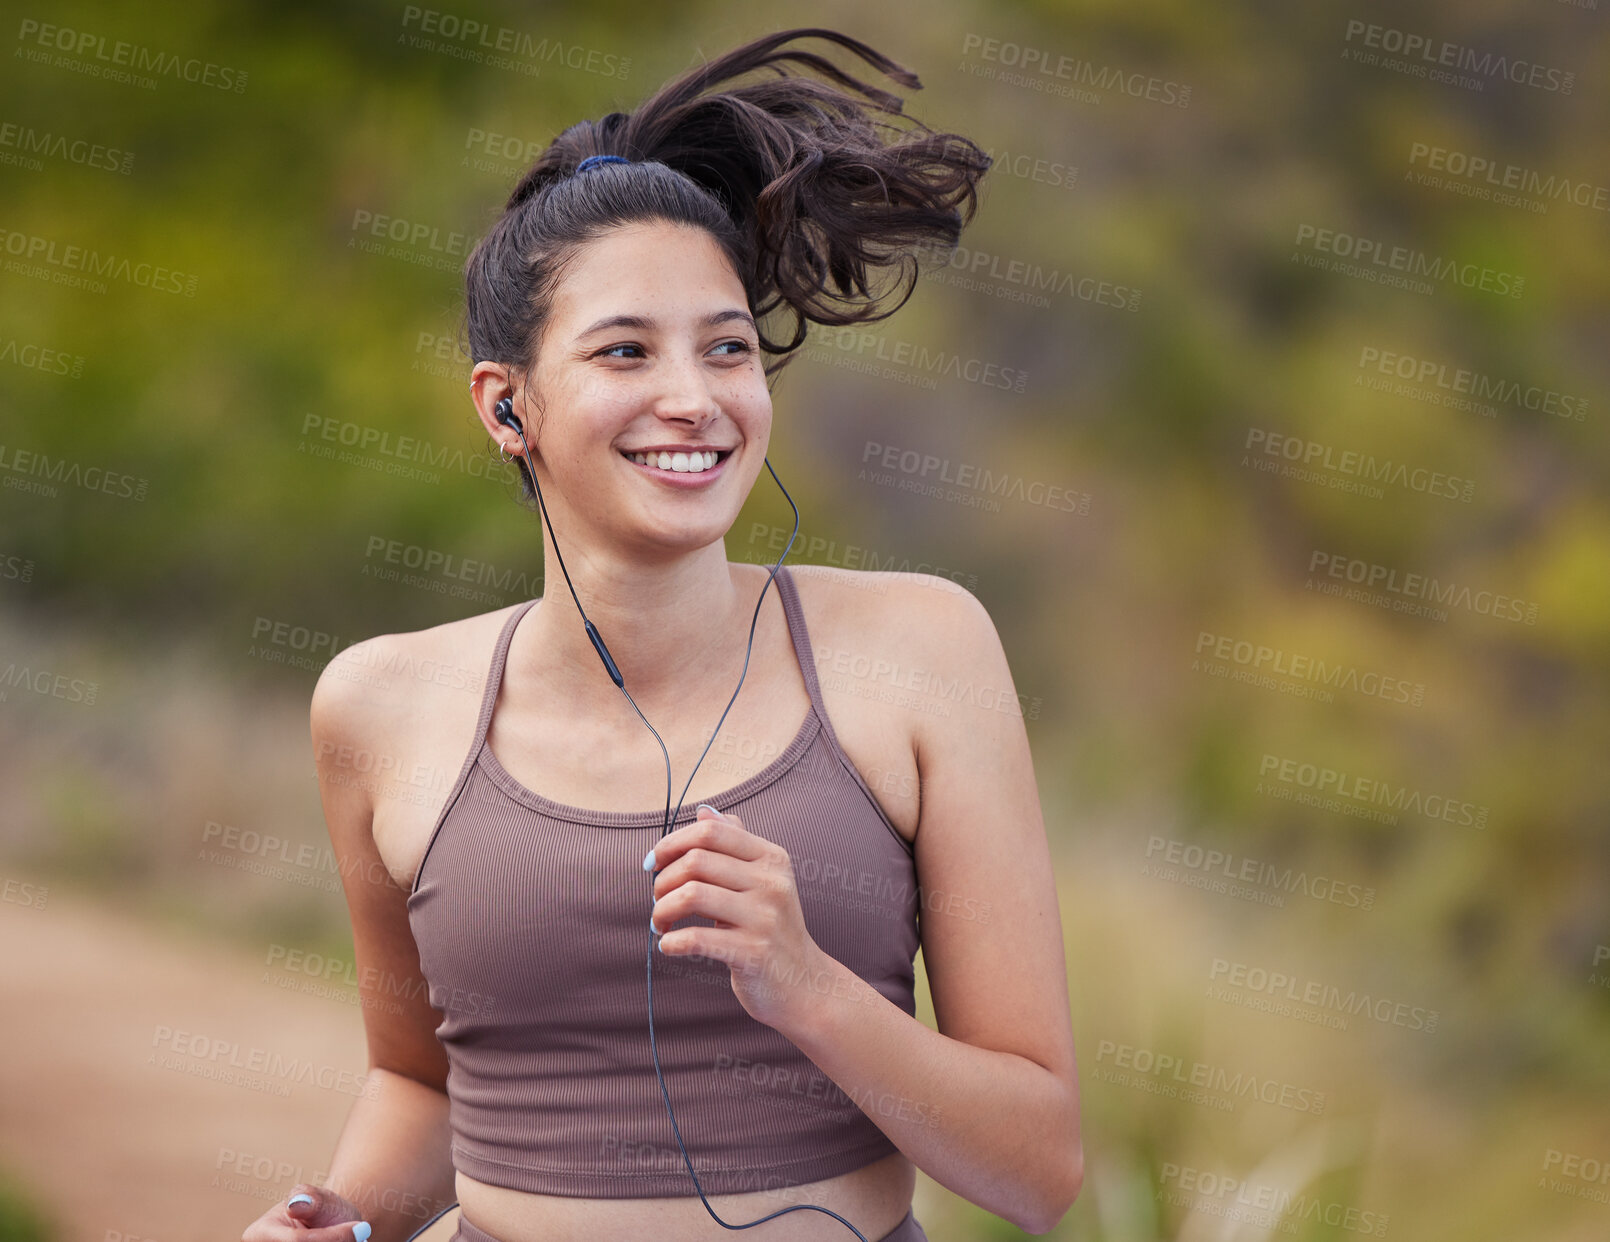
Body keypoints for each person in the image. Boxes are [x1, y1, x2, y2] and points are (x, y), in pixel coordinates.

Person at [241, 25, 1080, 1242]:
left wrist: (806, 988)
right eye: (624, 350)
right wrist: (345, 1222)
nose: (692, 397)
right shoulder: (378, 707)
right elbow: (422, 1086)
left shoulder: (920, 649)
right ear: (505, 404)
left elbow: (1036, 1172)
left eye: (726, 347)